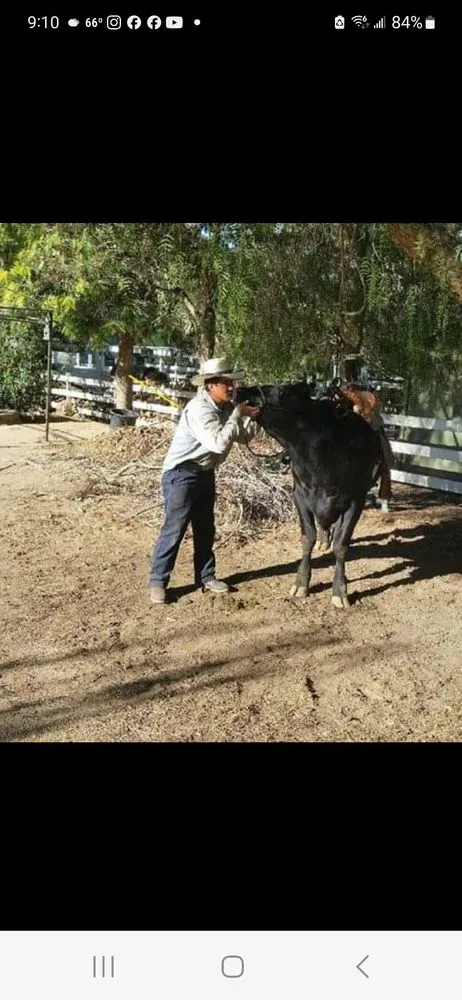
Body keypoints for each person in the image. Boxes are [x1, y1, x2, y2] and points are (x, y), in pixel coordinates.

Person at [149, 357, 261, 604]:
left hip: (204, 473)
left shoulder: (223, 408)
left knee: (205, 528)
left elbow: (241, 437)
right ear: (210, 385)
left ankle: (206, 577)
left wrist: (253, 417)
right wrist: (237, 415)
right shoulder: (200, 409)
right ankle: (158, 581)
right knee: (174, 528)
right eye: (226, 383)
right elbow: (218, 442)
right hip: (181, 474)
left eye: (232, 382)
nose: (231, 387)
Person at [339, 383, 394, 512]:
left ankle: (385, 499)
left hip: (373, 430)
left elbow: (370, 419)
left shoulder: (369, 399)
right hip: (356, 432)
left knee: (385, 461)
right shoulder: (348, 401)